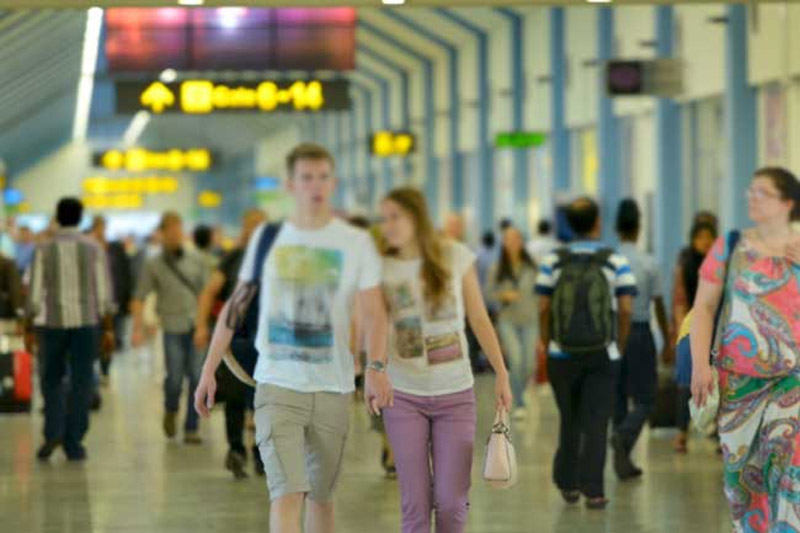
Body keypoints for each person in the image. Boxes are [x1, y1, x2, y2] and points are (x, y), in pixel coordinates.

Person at [194, 143, 390, 533]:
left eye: (323, 177)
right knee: (286, 493)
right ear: (290, 184)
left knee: (321, 497)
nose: (315, 185)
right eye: (306, 177)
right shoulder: (268, 238)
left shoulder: (355, 242)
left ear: (332, 183)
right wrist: (208, 370)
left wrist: (376, 368)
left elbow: (375, 313)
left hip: (333, 388)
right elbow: (236, 304)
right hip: (278, 386)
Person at [379, 187, 512, 533]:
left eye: (395, 217)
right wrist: (371, 371)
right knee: (415, 506)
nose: (387, 225)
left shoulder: (454, 255)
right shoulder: (381, 267)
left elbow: (479, 318)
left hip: (455, 395)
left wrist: (501, 373)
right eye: (384, 218)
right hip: (403, 395)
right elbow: (373, 326)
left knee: (452, 504)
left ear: (416, 218)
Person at [691, 167, 800, 532]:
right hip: (738, 383)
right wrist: (700, 366)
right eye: (750, 191)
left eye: (762, 193)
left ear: (787, 202)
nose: (752, 198)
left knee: (790, 473)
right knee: (742, 484)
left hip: (792, 379)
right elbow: (703, 308)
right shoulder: (730, 245)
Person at [535, 197, 635, 509]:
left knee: (570, 418)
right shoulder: (614, 260)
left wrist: (546, 341)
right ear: (597, 223)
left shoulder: (553, 260)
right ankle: (594, 490)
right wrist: (619, 344)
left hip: (560, 355)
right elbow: (626, 309)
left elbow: (543, 306)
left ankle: (567, 483)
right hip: (602, 354)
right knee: (596, 421)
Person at [30, 198, 115, 462]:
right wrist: (108, 329)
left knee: (51, 379)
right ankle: (74, 441)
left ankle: (53, 431)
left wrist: (28, 324)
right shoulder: (93, 248)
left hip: (52, 325)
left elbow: (34, 296)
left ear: (57, 217)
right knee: (82, 380)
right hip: (86, 325)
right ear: (80, 218)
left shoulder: (43, 249)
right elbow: (104, 295)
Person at [194, 208, 267, 479]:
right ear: (244, 229)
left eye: (261, 225)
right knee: (235, 397)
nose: (256, 230)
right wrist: (202, 326)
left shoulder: (278, 259)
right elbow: (209, 292)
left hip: (266, 342)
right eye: (251, 225)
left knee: (263, 399)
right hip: (235, 340)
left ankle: (261, 453)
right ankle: (236, 449)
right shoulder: (233, 258)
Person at [131, 212, 209, 445]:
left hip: (196, 325)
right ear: (162, 234)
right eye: (171, 231)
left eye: (178, 230)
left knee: (196, 375)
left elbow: (206, 293)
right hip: (172, 327)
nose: (176, 235)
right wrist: (137, 328)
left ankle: (192, 427)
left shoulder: (196, 259)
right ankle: (171, 408)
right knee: (174, 377)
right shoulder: (153, 264)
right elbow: (139, 296)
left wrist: (204, 325)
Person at [610, 199, 670, 479]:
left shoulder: (609, 261)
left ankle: (623, 460)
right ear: (638, 227)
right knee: (646, 398)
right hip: (639, 332)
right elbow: (659, 304)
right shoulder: (648, 262)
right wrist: (667, 340)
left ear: (616, 228)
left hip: (611, 332)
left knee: (619, 397)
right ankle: (623, 437)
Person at [671, 219, 717, 453]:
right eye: (700, 237)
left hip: (718, 327)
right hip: (691, 327)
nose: (705, 242)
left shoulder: (721, 265)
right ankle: (681, 433)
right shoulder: (686, 264)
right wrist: (680, 331)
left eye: (709, 237)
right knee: (685, 382)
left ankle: (720, 434)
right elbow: (679, 299)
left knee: (719, 380)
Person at [487, 226, 538, 419]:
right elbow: (488, 293)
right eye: (509, 239)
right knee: (515, 359)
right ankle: (519, 402)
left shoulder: (531, 266)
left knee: (529, 363)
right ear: (504, 243)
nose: (513, 242)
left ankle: (521, 388)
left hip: (530, 319)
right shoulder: (497, 268)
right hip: (508, 320)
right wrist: (503, 295)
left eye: (516, 238)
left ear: (522, 241)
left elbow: (540, 292)